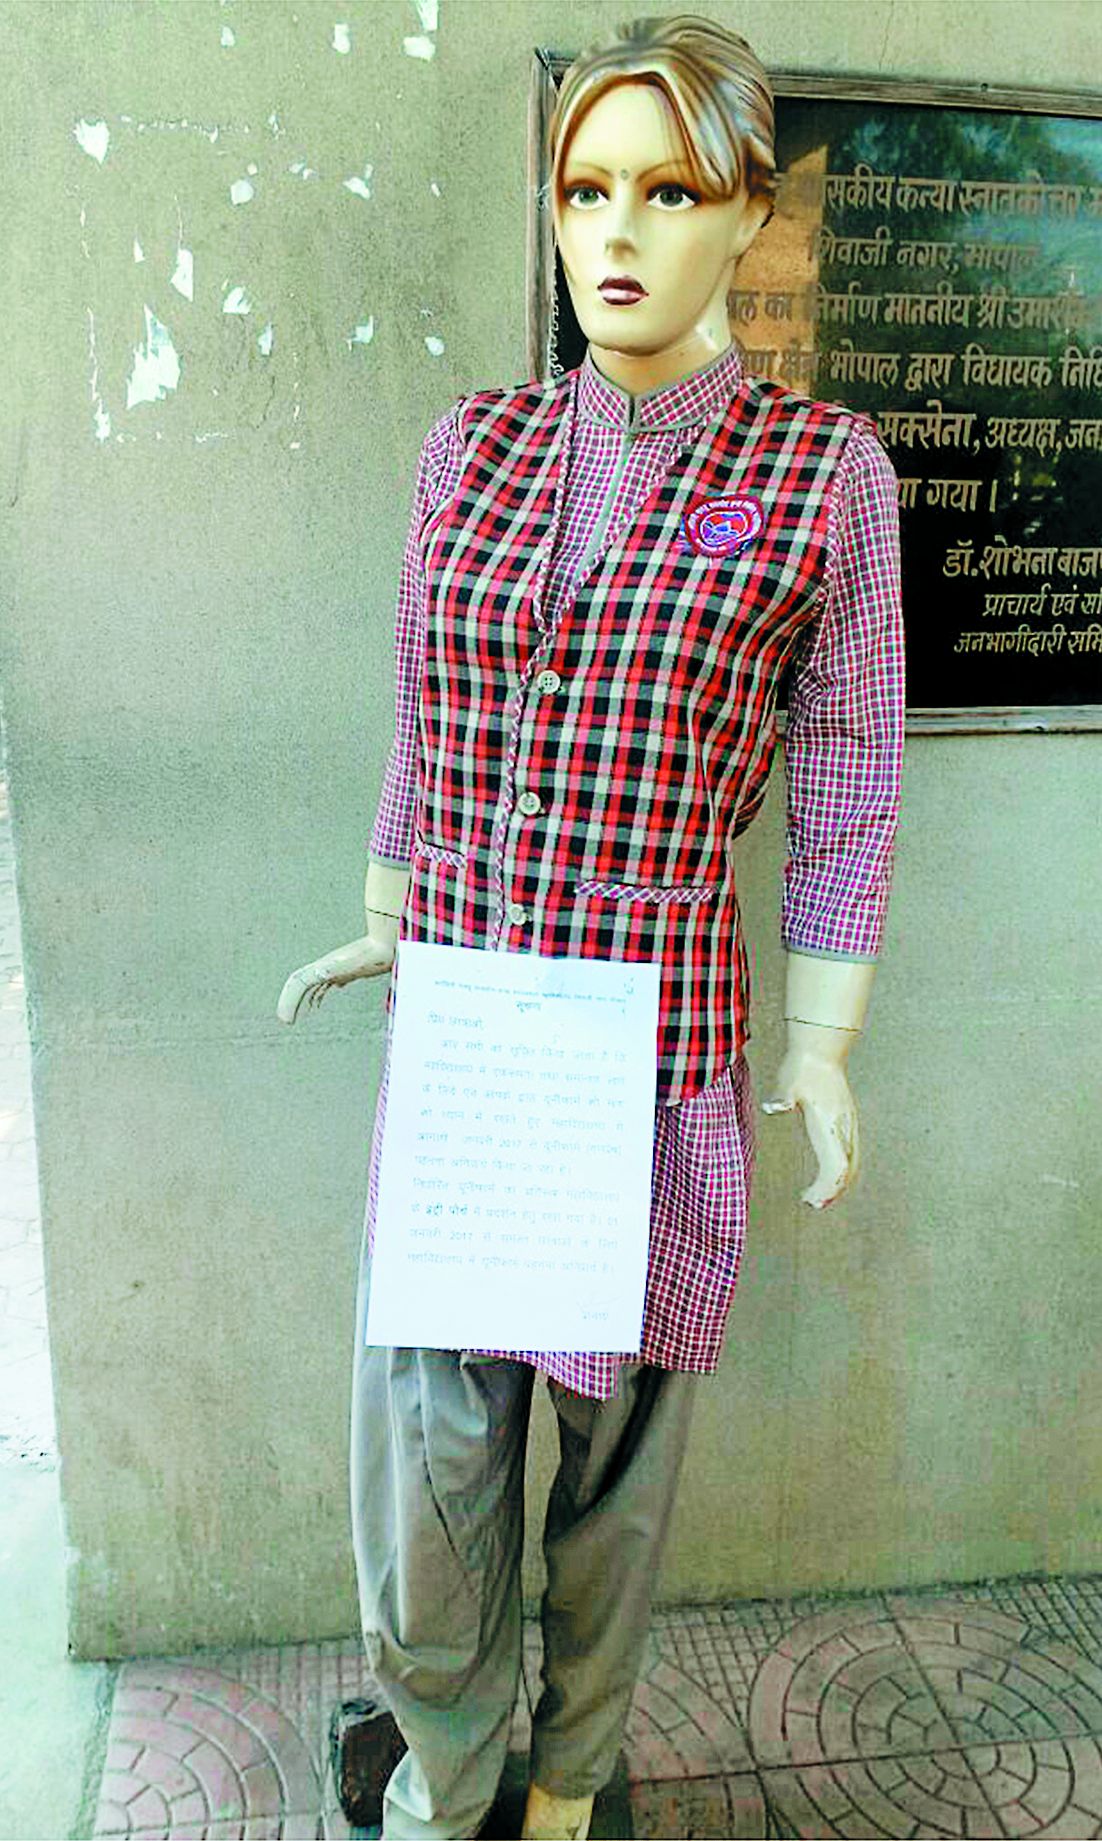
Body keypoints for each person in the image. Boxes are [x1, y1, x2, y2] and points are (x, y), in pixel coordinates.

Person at [277, 14, 904, 1838]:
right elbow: (423, 709)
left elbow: (849, 774)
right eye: (583, 189)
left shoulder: (821, 474)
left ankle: (564, 1779)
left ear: (748, 211)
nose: (615, 231)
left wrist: (822, 1042)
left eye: (669, 190)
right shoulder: (469, 448)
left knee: (614, 1474)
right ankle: (450, 1753)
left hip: (650, 1057)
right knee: (426, 1466)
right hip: (469, 1047)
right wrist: (386, 907)